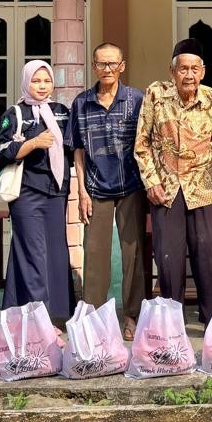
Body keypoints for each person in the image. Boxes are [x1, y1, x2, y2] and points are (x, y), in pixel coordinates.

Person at [137, 39, 212, 323]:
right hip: (166, 190)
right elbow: (141, 143)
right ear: (172, 71)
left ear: (203, 71)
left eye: (194, 69)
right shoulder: (156, 94)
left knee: (209, 260)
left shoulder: (211, 98)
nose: (188, 75)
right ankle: (171, 324)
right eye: (182, 69)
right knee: (169, 259)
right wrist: (151, 182)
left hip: (203, 189)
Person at [70, 42, 146, 340]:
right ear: (93, 66)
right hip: (95, 186)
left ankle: (132, 315)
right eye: (102, 64)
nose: (107, 70)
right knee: (95, 255)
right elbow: (76, 149)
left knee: (134, 253)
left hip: (132, 185)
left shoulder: (136, 99)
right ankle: (94, 318)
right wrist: (82, 192)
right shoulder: (82, 102)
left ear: (122, 66)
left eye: (112, 64)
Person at [0, 60, 75, 323]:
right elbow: (3, 153)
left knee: (56, 251)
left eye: (46, 81)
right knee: (32, 251)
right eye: (36, 81)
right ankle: (36, 317)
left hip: (57, 190)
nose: (42, 86)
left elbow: (73, 150)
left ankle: (58, 314)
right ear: (26, 82)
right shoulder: (14, 113)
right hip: (28, 191)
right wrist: (33, 143)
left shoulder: (62, 111)